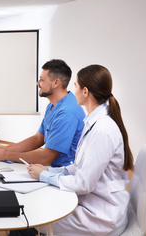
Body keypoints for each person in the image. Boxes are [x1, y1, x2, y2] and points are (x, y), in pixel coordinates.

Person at [21, 64, 134, 236]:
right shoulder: (93, 122)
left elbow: (84, 183)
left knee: (30, 218)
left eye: (75, 86)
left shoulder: (102, 130)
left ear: (86, 91)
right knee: (33, 210)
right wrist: (49, 170)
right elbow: (79, 165)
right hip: (91, 202)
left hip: (100, 215)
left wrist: (44, 176)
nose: (73, 91)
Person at [0, 59, 85, 167]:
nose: (37, 83)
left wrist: (5, 155)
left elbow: (46, 157)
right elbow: (38, 138)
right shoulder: (53, 105)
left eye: (41, 80)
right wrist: (5, 148)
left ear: (56, 83)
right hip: (51, 168)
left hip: (63, 173)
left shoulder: (67, 112)